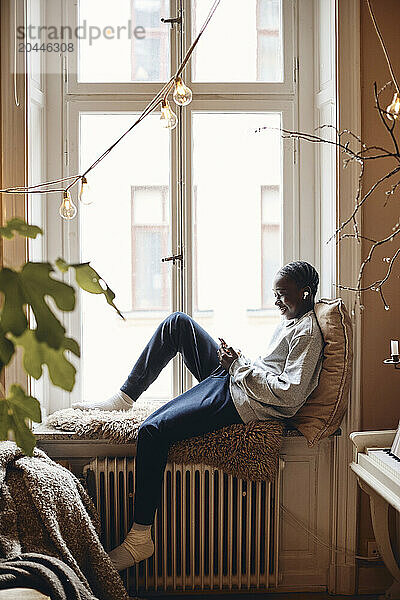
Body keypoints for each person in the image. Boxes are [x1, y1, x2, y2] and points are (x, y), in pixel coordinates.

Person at [72, 260, 325, 571]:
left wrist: (238, 367)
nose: (275, 301)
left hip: (241, 401)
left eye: (281, 294)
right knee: (177, 324)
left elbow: (290, 395)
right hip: (236, 380)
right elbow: (270, 371)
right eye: (274, 293)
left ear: (305, 293)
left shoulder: (309, 333)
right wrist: (238, 360)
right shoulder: (292, 321)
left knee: (152, 431)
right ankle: (124, 398)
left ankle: (140, 539)